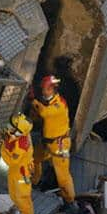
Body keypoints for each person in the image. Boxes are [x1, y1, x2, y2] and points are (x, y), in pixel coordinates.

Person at [30, 75, 75, 203]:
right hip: (47, 142)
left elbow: (45, 113)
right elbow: (40, 116)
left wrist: (33, 100)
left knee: (63, 176)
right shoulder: (48, 102)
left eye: (46, 89)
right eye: (43, 89)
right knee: (34, 159)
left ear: (52, 89)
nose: (44, 92)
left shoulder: (59, 104)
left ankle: (70, 200)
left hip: (60, 145)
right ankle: (34, 181)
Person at [0, 113, 35, 214]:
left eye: (12, 126)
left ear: (19, 131)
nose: (9, 127)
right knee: (13, 193)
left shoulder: (21, 146)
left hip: (22, 173)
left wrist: (3, 149)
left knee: (22, 196)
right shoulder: (20, 134)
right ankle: (20, 209)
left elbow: (12, 162)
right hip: (16, 170)